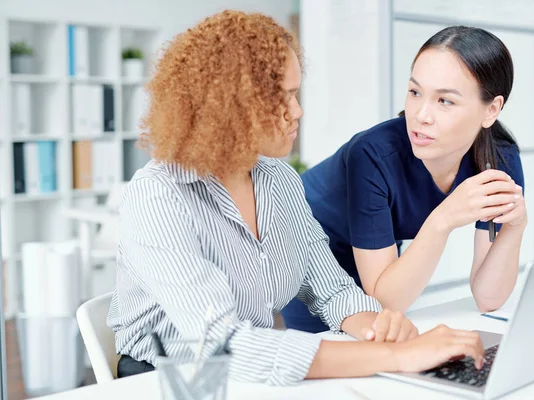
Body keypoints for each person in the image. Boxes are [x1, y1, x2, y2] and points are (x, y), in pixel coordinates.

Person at [107, 11, 485, 385]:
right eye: (283, 98)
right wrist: (397, 356)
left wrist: (381, 329)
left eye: (296, 94)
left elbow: (331, 289)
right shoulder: (158, 196)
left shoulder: (279, 180)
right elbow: (223, 346)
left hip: (246, 372)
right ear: (231, 107)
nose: (298, 111)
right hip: (162, 381)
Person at [281, 26, 527, 334]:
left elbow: (489, 298)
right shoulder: (372, 155)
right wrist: (442, 220)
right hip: (314, 254)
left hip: (377, 252)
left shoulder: (498, 158)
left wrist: (514, 229)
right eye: (415, 92)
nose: (421, 115)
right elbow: (386, 300)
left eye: (445, 101)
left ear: (491, 109)